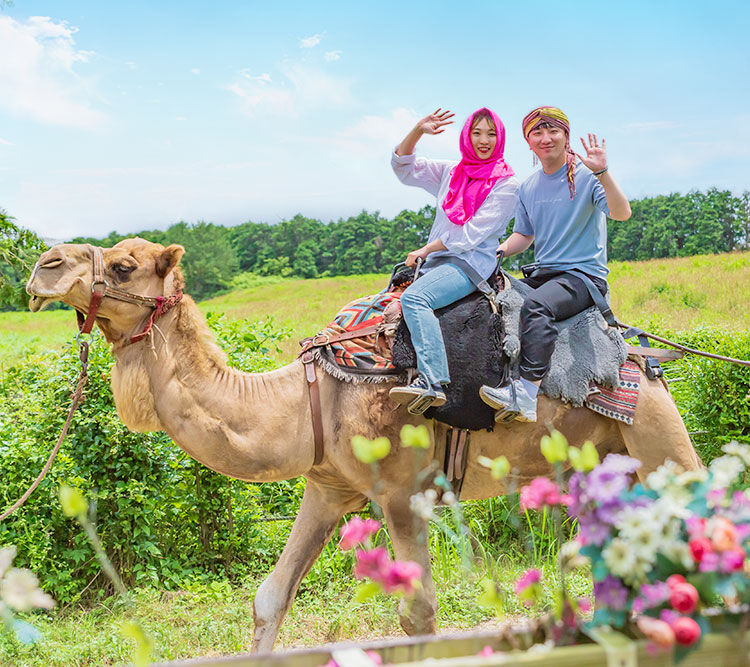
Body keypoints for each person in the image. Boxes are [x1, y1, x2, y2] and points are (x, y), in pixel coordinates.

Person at [479, 106, 632, 423]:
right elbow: (524, 234)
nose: (545, 138)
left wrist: (603, 172)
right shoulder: (528, 187)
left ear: (566, 136)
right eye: (537, 132)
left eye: (553, 131)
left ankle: (526, 394)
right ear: (528, 141)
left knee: (536, 306)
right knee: (490, 294)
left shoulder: (588, 178)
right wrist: (497, 251)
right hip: (545, 276)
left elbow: (621, 213)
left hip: (582, 278)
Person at [389, 107, 519, 414]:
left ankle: (432, 381)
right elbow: (403, 168)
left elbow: (470, 236)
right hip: (440, 260)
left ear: (500, 138)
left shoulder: (507, 184)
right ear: (466, 136)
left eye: (491, 134)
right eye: (477, 133)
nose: (483, 140)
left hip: (470, 262)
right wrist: (418, 131)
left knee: (416, 299)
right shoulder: (452, 171)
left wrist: (426, 249)